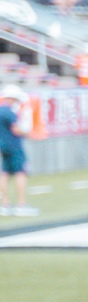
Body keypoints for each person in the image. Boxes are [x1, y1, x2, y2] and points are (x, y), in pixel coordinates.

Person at [0, 84, 31, 216]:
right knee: (20, 172)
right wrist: (26, 132)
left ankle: (5, 204)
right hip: (14, 145)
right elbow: (16, 129)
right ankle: (21, 204)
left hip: (3, 145)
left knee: (4, 173)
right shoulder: (9, 112)